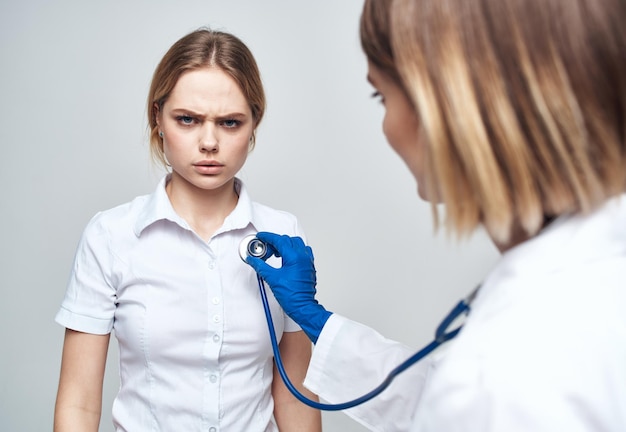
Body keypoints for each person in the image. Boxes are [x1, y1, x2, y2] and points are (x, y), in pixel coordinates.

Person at [245, 0, 626, 430]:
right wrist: (314, 319)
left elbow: (474, 402)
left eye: (382, 95)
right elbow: (435, 397)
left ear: (446, 105)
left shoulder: (503, 374)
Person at [54, 29, 321, 432]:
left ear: (253, 125)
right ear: (157, 118)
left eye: (230, 122)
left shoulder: (282, 234)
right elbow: (78, 404)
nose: (209, 142)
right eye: (187, 120)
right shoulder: (111, 236)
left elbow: (295, 391)